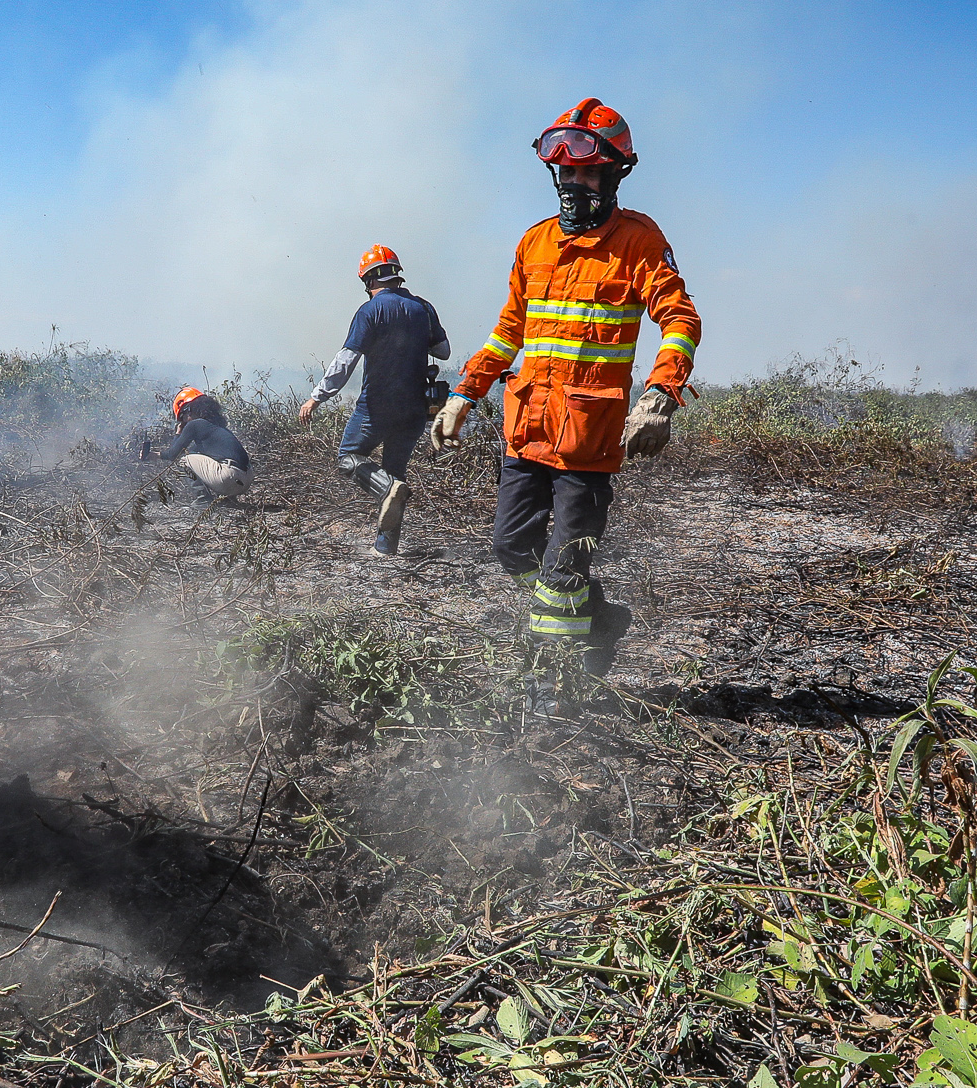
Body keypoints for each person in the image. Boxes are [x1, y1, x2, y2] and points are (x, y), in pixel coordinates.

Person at [431, 99, 700, 706]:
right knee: (511, 549)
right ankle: (600, 618)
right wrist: (464, 393)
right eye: (566, 171)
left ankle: (557, 688)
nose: (574, 182)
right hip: (526, 431)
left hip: (588, 441)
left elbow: (679, 318)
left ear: (613, 174)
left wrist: (660, 395)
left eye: (587, 171)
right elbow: (509, 331)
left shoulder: (638, 240)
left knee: (561, 570)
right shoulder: (534, 244)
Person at [299, 245, 450, 555]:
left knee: (348, 457)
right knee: (395, 473)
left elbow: (345, 361)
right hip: (415, 410)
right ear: (397, 275)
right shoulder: (423, 308)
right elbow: (443, 351)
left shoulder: (370, 311)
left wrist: (317, 398)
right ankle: (385, 549)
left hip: (376, 407)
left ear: (368, 281)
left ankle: (386, 489)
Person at [143, 388, 253, 504]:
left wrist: (177, 433)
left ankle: (203, 500)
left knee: (183, 460)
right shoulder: (216, 427)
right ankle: (230, 499)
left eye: (182, 417)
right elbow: (190, 452)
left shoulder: (195, 424)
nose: (183, 422)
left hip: (229, 477)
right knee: (195, 457)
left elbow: (173, 454)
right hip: (246, 480)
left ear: (189, 410)